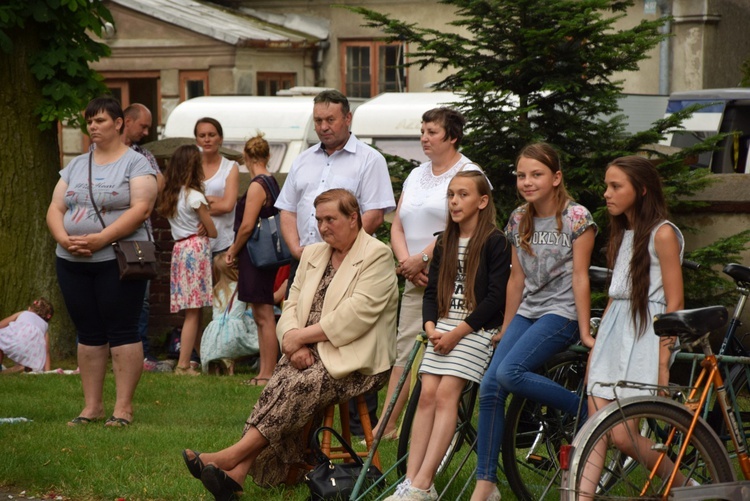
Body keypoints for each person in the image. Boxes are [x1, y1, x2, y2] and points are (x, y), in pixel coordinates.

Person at [182, 189, 399, 499]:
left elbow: (355, 317)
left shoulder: (376, 254)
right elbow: (291, 304)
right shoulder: (313, 254)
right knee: (280, 382)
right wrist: (291, 341)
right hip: (306, 351)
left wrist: (301, 337)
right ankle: (237, 475)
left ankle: (232, 457)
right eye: (319, 220)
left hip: (355, 360)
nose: (323, 227)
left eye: (331, 219)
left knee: (302, 385)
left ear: (353, 218)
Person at [470, 142, 596, 501]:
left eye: (536, 174)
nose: (527, 181)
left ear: (556, 178)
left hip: (562, 313)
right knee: (490, 386)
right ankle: (486, 483)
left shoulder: (577, 218)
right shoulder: (518, 219)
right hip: (528, 311)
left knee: (510, 373)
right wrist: (508, 327)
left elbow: (580, 277)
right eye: (522, 175)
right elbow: (516, 279)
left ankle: (588, 413)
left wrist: (584, 330)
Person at [275, 88, 396, 433]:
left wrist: (344, 246)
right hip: (311, 260)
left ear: (347, 119)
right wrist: (300, 250)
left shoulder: (369, 160)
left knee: (346, 331)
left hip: (352, 260)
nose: (324, 127)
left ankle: (359, 427)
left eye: (330, 119)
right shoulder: (303, 159)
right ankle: (305, 422)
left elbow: (371, 213)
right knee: (301, 316)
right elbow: (286, 208)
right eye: (318, 121)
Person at [387, 171, 510, 500]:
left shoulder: (495, 242)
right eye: (451, 195)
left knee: (445, 396)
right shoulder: (445, 241)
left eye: (463, 195)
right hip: (441, 327)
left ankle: (424, 481)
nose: (454, 201)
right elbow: (430, 294)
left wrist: (457, 333)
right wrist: (430, 328)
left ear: (482, 201)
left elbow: (495, 299)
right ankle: (411, 482)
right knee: (426, 394)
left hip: (475, 329)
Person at [579, 156, 688, 499]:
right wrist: (596, 348)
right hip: (613, 333)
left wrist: (662, 360)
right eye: (607, 185)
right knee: (595, 429)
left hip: (646, 336)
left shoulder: (664, 233)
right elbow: (616, 296)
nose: (606, 193)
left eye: (616, 186)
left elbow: (675, 304)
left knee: (623, 436)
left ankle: (689, 486)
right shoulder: (624, 234)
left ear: (641, 190)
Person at [373, 107, 485, 441]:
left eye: (432, 132)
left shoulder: (469, 172)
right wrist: (408, 263)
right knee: (404, 349)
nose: (424, 137)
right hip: (416, 276)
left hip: (454, 274)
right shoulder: (417, 174)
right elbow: (399, 224)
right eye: (423, 131)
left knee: (444, 349)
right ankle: (386, 425)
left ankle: (441, 424)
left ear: (452, 136)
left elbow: (467, 223)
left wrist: (424, 258)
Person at [47, 95, 158, 427]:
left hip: (117, 259)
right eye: (89, 121)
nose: (93, 127)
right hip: (72, 260)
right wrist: (63, 238)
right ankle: (91, 407)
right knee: (89, 331)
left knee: (123, 330)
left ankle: (122, 409)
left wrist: (101, 238)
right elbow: (55, 208)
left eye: (100, 121)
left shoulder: (136, 163)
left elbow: (142, 208)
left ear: (118, 123)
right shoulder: (78, 164)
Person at [224, 133, 282, 386]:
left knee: (263, 314)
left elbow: (247, 225)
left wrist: (232, 250)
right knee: (262, 313)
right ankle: (264, 371)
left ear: (246, 158)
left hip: (257, 255)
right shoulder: (272, 181)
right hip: (263, 255)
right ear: (268, 155)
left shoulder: (258, 185)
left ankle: (267, 372)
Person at [157, 144, 217, 376]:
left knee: (194, 309)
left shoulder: (172, 195)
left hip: (180, 249)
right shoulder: (195, 196)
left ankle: (204, 358)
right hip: (195, 249)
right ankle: (183, 365)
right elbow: (213, 231)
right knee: (193, 311)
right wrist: (205, 225)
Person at [120, 103, 164, 372]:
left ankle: (142, 353)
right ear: (126, 121)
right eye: (143, 126)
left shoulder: (144, 155)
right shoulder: (99, 153)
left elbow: (159, 183)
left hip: (140, 237)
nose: (146, 131)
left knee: (143, 298)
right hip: (106, 236)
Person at [200, 254, 259, 376]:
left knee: (226, 344)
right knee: (260, 338)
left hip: (213, 335)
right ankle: (231, 361)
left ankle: (218, 363)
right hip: (233, 333)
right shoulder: (241, 288)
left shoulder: (215, 290)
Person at [194, 117, 240, 255]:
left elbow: (227, 206)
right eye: (202, 136)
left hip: (222, 242)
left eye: (211, 135)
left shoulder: (230, 167)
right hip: (195, 240)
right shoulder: (190, 167)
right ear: (197, 140)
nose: (207, 139)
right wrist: (213, 201)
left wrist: (199, 206)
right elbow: (183, 203)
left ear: (220, 138)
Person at [0, 298, 54, 374]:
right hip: (32, 355)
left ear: (29, 308)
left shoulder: (23, 313)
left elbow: (1, 325)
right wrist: (47, 371)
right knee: (27, 349)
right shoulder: (44, 327)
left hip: (17, 344)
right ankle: (21, 367)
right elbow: (46, 351)